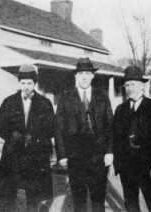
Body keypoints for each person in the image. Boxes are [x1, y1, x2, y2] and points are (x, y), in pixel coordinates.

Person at [0, 64, 55, 212]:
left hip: (36, 156)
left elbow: (52, 128)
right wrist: (11, 134)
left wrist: (36, 137)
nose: (26, 86)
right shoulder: (9, 102)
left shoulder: (44, 103)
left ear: (35, 83)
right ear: (19, 83)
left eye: (29, 83)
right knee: (8, 196)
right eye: (23, 83)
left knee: (35, 197)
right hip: (13, 155)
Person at [55, 57, 113, 212]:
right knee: (79, 201)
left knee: (98, 200)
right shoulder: (66, 97)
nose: (84, 76)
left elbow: (110, 126)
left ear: (93, 76)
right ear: (76, 76)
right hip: (76, 157)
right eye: (81, 73)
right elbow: (59, 128)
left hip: (98, 157)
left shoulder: (102, 95)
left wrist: (109, 152)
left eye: (87, 73)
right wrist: (62, 155)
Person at [113, 66, 151, 212]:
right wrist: (118, 163)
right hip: (127, 167)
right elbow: (116, 137)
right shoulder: (120, 109)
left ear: (142, 86)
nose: (130, 88)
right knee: (131, 204)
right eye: (127, 85)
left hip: (147, 165)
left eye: (134, 84)